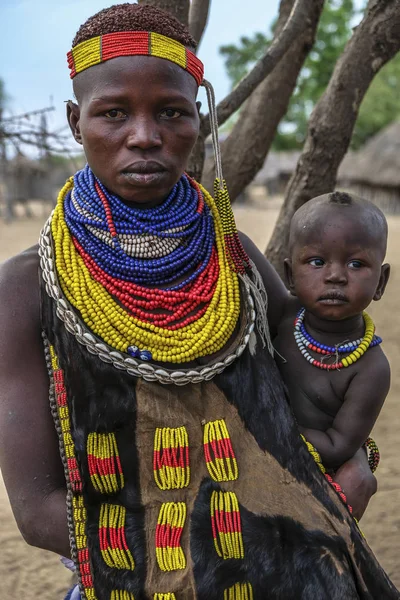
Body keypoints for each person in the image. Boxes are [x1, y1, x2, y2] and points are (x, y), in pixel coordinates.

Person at [0, 4, 397, 600]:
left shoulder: (233, 255)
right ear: (75, 122)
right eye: (113, 113)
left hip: (283, 569)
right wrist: (209, 556)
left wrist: (353, 454)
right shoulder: (27, 287)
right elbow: (37, 513)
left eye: (171, 112)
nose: (145, 135)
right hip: (132, 580)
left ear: (197, 119)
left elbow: (323, 361)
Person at [274, 191, 390, 475]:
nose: (335, 276)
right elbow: (237, 243)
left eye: (356, 264)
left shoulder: (370, 368)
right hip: (255, 460)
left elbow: (338, 446)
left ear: (381, 282)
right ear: (290, 276)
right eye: (316, 262)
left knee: (355, 482)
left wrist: (267, 423)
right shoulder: (283, 315)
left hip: (316, 477)